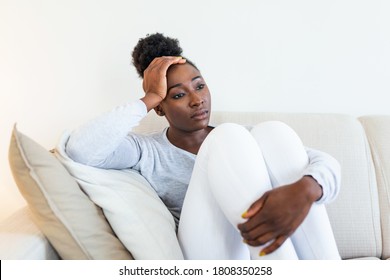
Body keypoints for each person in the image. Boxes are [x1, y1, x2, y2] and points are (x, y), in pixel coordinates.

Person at [66, 33, 341, 260]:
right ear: (160, 108)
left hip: (250, 255)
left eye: (199, 86)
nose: (197, 100)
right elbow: (80, 150)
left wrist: (305, 190)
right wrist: (149, 97)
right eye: (178, 95)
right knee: (226, 137)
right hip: (207, 254)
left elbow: (324, 163)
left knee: (274, 132)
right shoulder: (146, 150)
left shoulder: (247, 139)